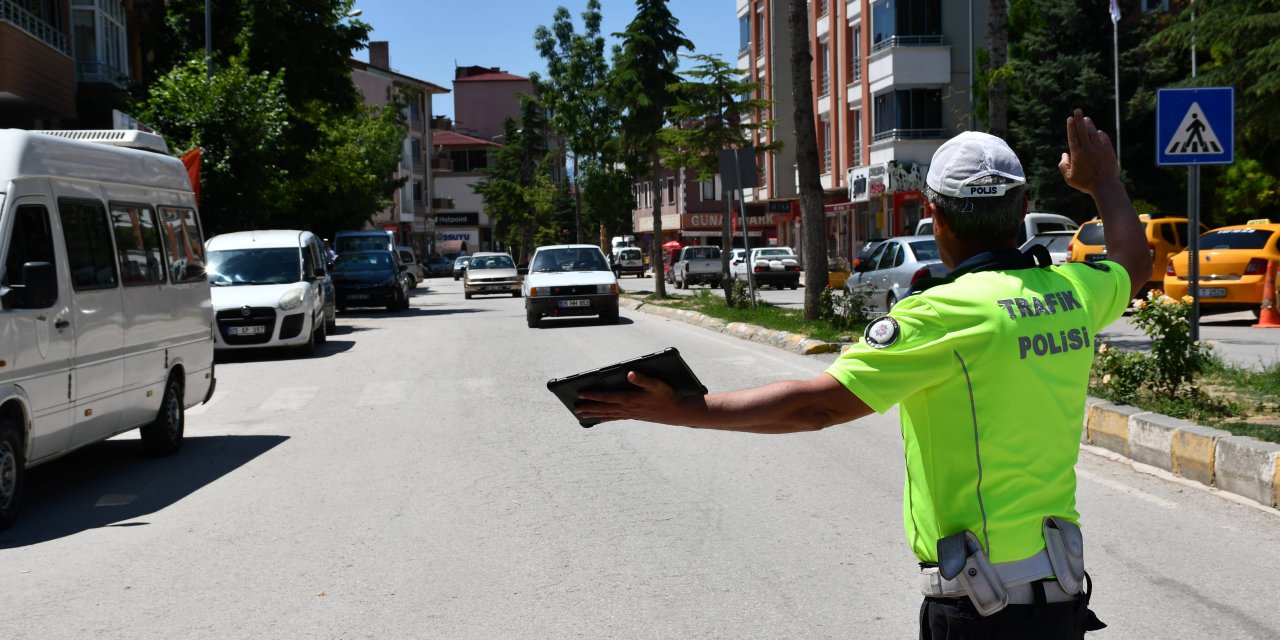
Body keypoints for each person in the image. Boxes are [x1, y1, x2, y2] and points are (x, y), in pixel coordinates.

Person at [575, 109, 1149, 639]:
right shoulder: (1073, 292)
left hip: (984, 610)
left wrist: (678, 409)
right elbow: (1133, 261)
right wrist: (1104, 183)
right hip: (1062, 597)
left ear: (936, 215)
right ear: (1022, 206)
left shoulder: (941, 314)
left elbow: (817, 405)